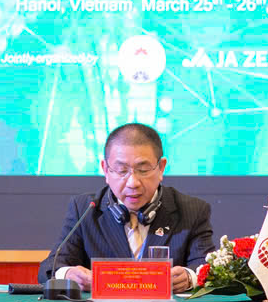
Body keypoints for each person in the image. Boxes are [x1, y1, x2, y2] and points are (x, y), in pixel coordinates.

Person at [37, 123, 214, 292]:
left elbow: (207, 268)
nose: (133, 183)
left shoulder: (192, 210)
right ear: (105, 170)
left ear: (161, 168)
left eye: (143, 170)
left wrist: (189, 277)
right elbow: (50, 268)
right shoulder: (84, 209)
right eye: (122, 171)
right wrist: (68, 274)